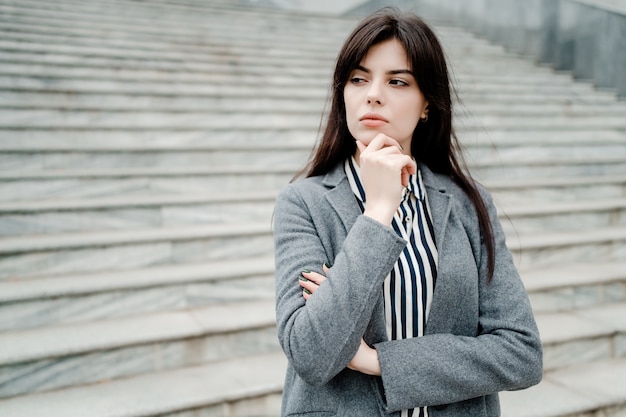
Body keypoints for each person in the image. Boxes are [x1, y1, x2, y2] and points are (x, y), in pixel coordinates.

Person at [272, 8, 542, 417]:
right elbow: (311, 353)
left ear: (427, 105)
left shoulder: (469, 204)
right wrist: (379, 209)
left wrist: (379, 362)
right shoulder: (303, 203)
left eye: (397, 81)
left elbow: (521, 352)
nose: (372, 94)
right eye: (359, 79)